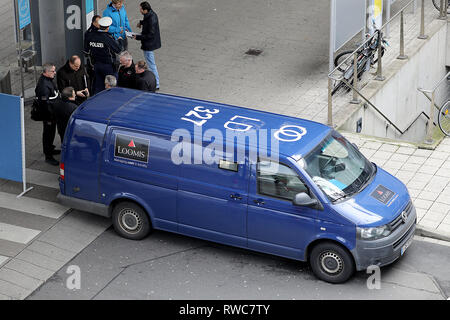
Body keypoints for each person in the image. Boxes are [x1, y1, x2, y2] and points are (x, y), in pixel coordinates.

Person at [84, 16, 123, 95]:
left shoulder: (91, 35)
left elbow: (86, 51)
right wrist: (120, 39)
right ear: (107, 28)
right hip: (108, 66)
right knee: (112, 86)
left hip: (96, 65)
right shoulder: (107, 37)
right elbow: (119, 49)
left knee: (99, 86)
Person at [35, 63, 60, 166]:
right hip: (48, 115)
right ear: (46, 72)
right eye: (52, 71)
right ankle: (48, 156)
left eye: (54, 70)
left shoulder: (48, 80)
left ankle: (50, 148)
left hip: (52, 113)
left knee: (51, 133)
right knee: (48, 134)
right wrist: (50, 116)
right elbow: (44, 103)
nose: (55, 73)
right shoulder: (43, 86)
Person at [133, 1, 161, 90]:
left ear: (145, 10)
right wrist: (141, 22)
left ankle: (156, 83)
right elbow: (146, 21)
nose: (140, 10)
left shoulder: (151, 18)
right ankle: (156, 82)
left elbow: (150, 35)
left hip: (149, 44)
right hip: (149, 43)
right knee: (150, 62)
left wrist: (138, 37)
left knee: (151, 64)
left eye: (141, 9)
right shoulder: (149, 14)